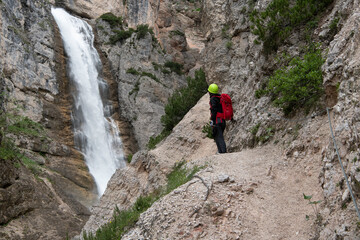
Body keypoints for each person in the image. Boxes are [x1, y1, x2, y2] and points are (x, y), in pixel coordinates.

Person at [208, 83, 227, 154]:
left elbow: (214, 110)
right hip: (223, 120)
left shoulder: (213, 99)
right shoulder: (220, 98)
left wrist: (212, 120)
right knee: (218, 135)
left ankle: (223, 152)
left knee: (219, 136)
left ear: (210, 92)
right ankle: (220, 151)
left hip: (217, 120)